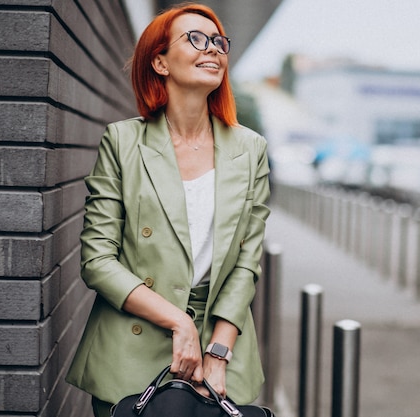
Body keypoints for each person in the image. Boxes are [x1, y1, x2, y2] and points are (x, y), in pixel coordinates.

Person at [65, 3, 271, 417]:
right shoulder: (123, 142)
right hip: (131, 346)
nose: (212, 49)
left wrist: (218, 351)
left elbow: (246, 265)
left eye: (218, 42)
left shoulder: (250, 150)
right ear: (159, 61)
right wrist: (180, 322)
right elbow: (97, 260)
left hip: (220, 354)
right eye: (195, 38)